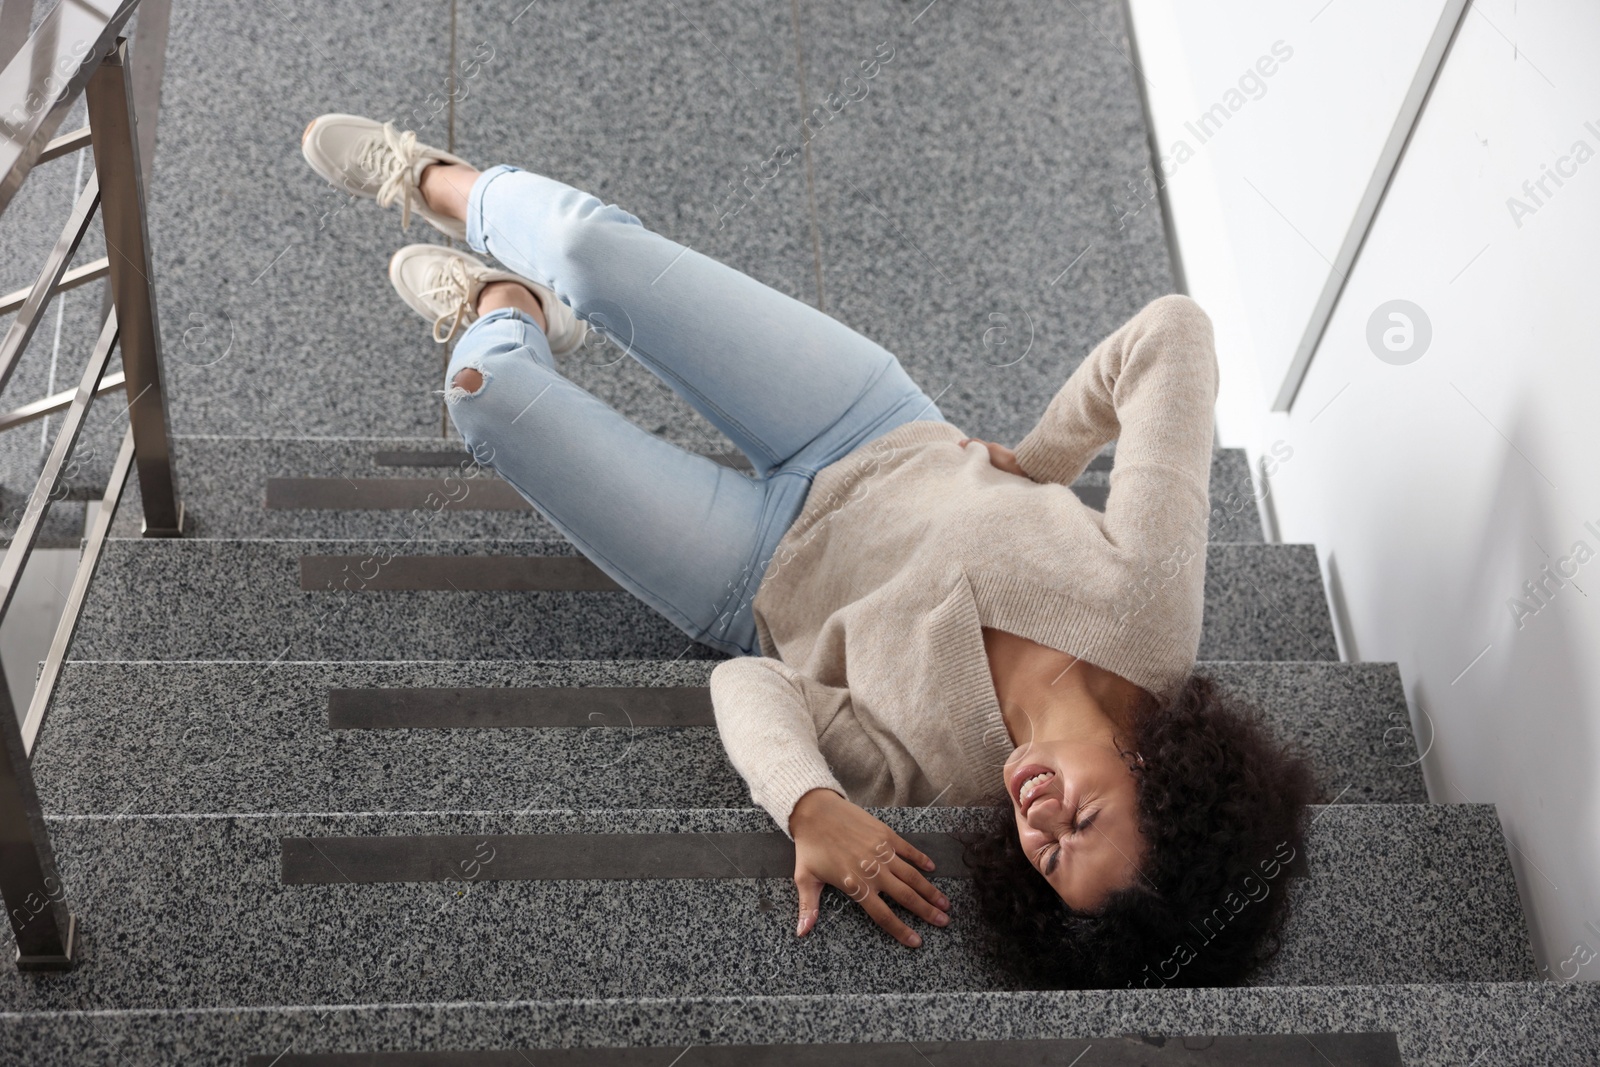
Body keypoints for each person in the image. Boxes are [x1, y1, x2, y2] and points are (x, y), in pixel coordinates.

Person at [301, 114, 1317, 989]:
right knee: (593, 251)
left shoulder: (943, 780)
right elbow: (1170, 337)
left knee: (487, 403)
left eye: (1046, 856)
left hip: (748, 573)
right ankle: (428, 177)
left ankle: (499, 306)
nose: (1037, 819)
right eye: (1084, 818)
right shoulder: (1147, 603)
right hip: (869, 423)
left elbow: (752, 682)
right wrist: (1045, 457)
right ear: (1161, 778)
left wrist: (810, 801)